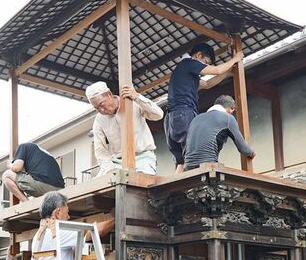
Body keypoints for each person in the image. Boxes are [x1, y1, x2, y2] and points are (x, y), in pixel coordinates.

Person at [165, 43, 244, 173]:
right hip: (184, 113)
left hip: (171, 118)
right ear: (199, 55)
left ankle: (177, 186)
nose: (205, 66)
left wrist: (228, 71)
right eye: (205, 62)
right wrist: (235, 59)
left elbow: (206, 84)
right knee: (192, 152)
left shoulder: (184, 73)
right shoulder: (188, 63)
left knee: (181, 160)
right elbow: (217, 70)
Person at [85, 81, 163, 176]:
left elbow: (158, 115)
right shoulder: (99, 120)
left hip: (143, 157)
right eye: (96, 108)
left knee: (142, 183)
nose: (101, 110)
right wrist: (109, 168)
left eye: (102, 104)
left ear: (109, 94)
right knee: (97, 186)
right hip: (117, 162)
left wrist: (137, 97)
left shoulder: (132, 103)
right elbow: (100, 150)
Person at [184, 95, 256, 170]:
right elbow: (244, 149)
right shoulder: (228, 117)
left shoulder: (196, 119)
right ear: (231, 109)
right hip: (208, 166)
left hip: (188, 167)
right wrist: (252, 153)